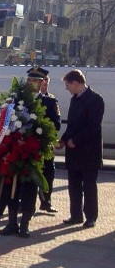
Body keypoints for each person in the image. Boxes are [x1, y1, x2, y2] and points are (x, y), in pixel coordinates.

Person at [0, 67, 49, 238]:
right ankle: (11, 222)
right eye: (29, 80)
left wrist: (34, 134)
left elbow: (53, 126)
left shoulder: (48, 102)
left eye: (36, 81)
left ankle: (25, 223)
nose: (32, 84)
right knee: (11, 187)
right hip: (14, 152)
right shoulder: (17, 100)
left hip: (32, 155)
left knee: (29, 190)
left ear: (42, 83)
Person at [59, 69, 105, 228]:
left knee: (89, 186)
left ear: (76, 83)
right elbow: (72, 125)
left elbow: (93, 126)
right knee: (74, 185)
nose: (67, 89)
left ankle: (91, 217)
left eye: (67, 85)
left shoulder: (95, 100)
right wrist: (64, 140)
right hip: (73, 152)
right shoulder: (75, 100)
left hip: (89, 152)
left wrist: (76, 140)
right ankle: (75, 215)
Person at [37, 73, 61, 213]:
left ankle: (46, 201)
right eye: (41, 81)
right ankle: (24, 202)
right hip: (30, 142)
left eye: (46, 81)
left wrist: (43, 127)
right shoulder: (27, 99)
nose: (44, 83)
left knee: (48, 172)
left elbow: (57, 124)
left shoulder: (51, 101)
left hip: (45, 142)